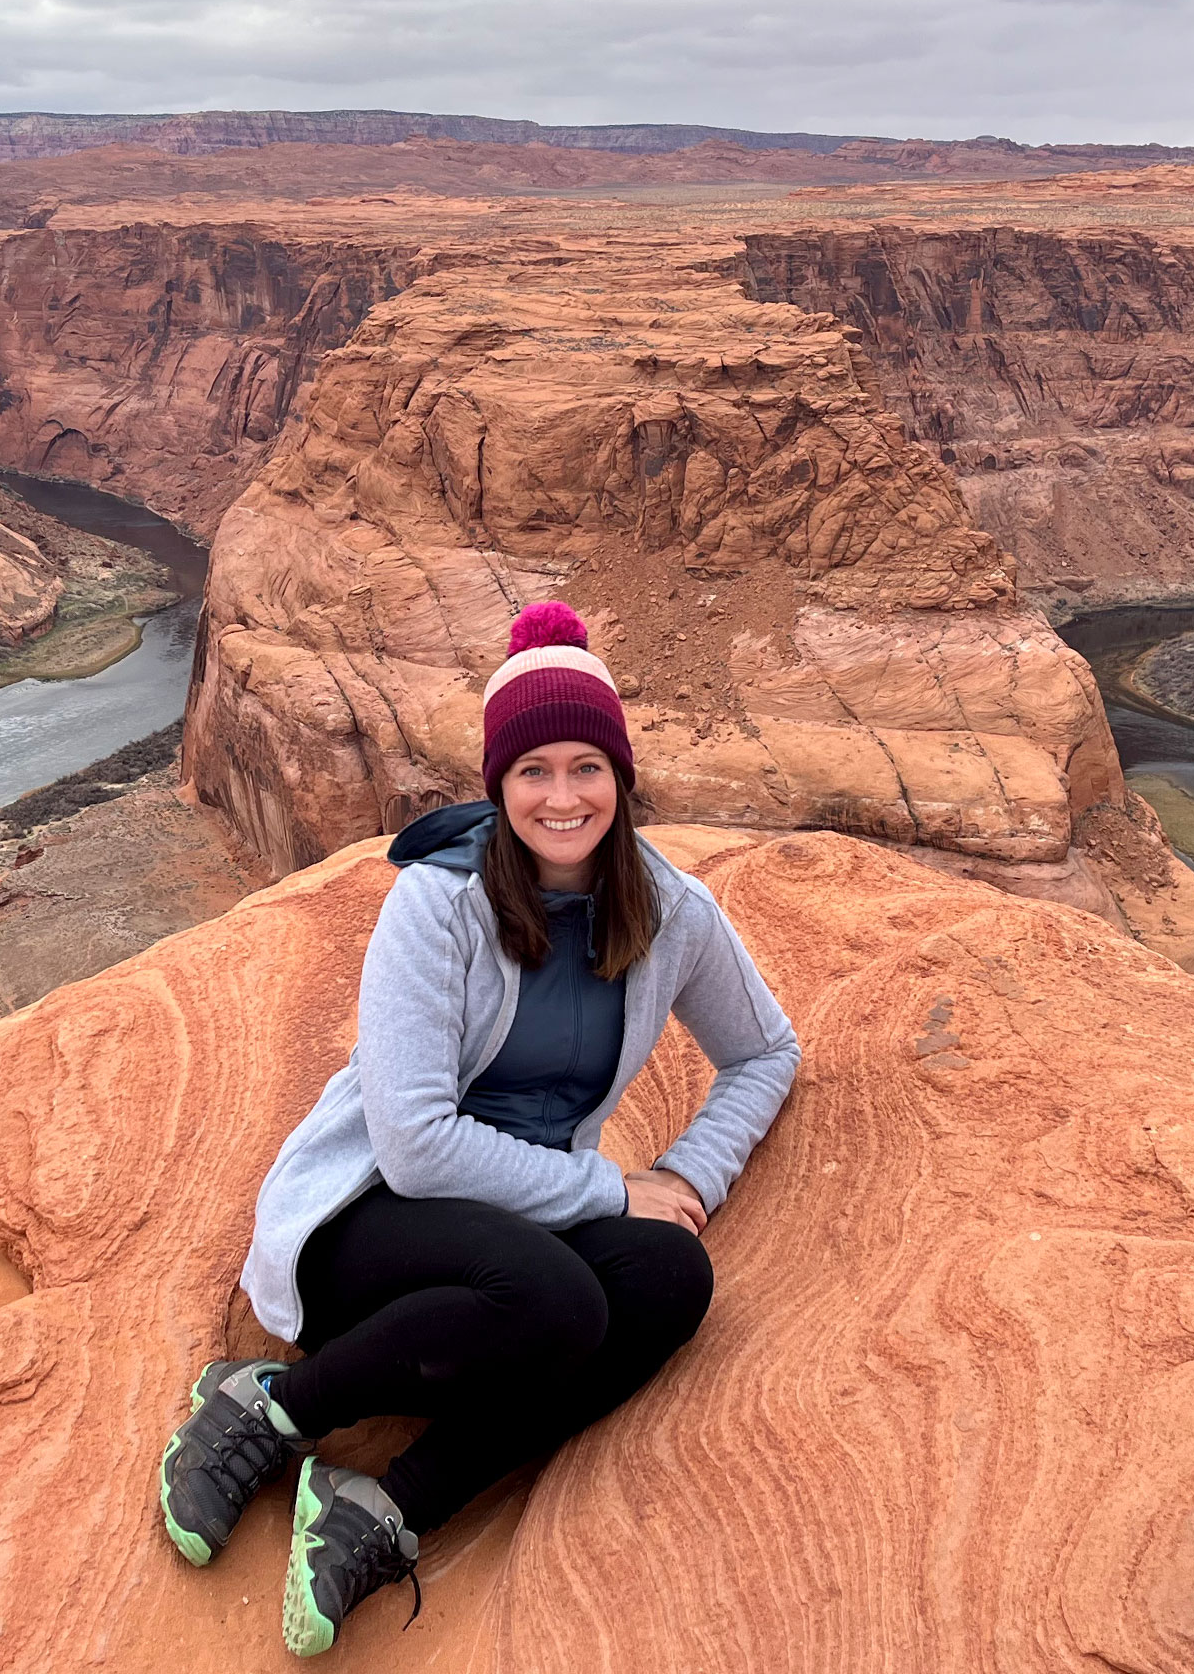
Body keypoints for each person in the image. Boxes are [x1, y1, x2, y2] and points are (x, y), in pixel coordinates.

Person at [155, 600, 802, 1656]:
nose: (562, 796)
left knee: (671, 1282)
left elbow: (767, 1052)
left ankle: (388, 1508)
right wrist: (610, 1191)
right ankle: (266, 1408)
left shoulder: (672, 911)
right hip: (372, 1219)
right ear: (498, 784)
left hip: (518, 1222)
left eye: (585, 766)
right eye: (532, 770)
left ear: (621, 779)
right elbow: (413, 1144)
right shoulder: (436, 903)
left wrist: (687, 1174)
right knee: (555, 1299)